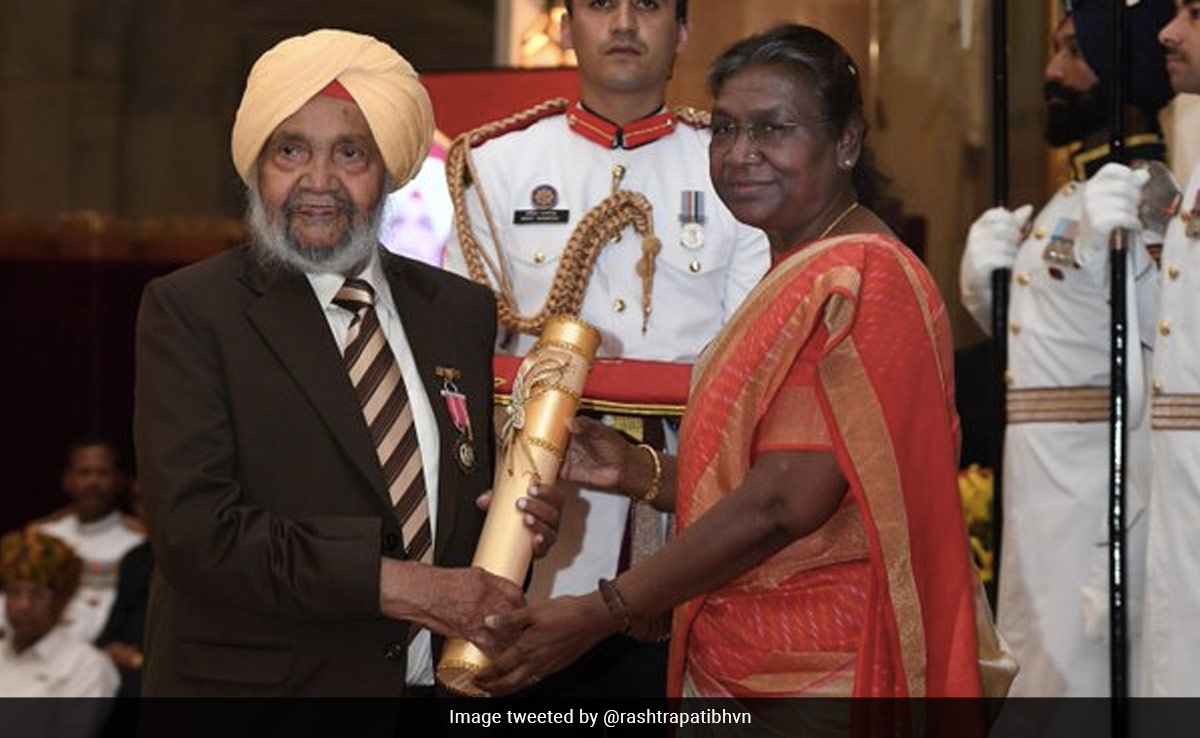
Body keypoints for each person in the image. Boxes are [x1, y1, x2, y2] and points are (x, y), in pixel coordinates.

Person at [474, 25, 983, 715]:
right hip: (747, 658)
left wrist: (603, 610)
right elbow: (766, 478)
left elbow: (783, 504)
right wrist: (634, 469)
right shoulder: (802, 270)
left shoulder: (862, 276)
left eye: (773, 130)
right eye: (726, 130)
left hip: (816, 675)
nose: (741, 155)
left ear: (847, 143)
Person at [133, 29, 561, 697]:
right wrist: (407, 587)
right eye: (290, 150)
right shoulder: (192, 310)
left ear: (388, 169)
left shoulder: (459, 310)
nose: (318, 182)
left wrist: (515, 525)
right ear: (256, 167)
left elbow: (458, 525)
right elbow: (198, 535)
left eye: (351, 152)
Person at [442, 0, 768, 697]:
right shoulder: (497, 165)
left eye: (648, 5)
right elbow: (458, 360)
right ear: (563, 27)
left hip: (690, 505)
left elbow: (753, 363)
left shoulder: (735, 169)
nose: (623, 23)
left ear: (682, 30)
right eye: (599, 4)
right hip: (538, 513)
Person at [958, 0, 1173, 698]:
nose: (1053, 71)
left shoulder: (1144, 197)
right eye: (1056, 49)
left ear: (1123, 72)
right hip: (1037, 499)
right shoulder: (1069, 198)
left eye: (1076, 52)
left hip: (1095, 512)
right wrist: (986, 289)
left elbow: (1161, 365)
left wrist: (1128, 544)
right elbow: (1050, 352)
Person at [32, 436, 144, 644]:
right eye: (84, 472)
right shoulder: (43, 538)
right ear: (67, 480)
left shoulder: (139, 543)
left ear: (120, 481)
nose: (93, 481)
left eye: (103, 472)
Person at [0, 528, 118, 712]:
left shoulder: (87, 667)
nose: (23, 605)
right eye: (14, 592)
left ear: (63, 600)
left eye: (38, 595)